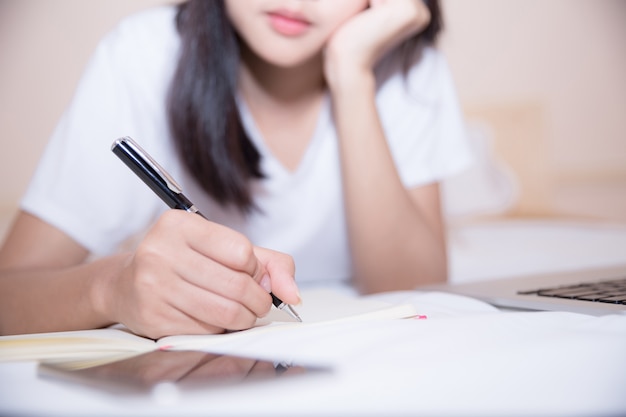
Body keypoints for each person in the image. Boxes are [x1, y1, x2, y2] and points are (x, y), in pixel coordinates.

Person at [0, 0, 472, 338]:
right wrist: (111, 289)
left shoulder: (405, 63)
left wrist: (352, 73)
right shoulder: (143, 53)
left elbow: (412, 289)